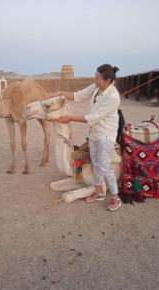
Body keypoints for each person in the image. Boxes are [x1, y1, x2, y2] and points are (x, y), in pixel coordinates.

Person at [50, 64, 121, 211]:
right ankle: (98, 191)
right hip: (94, 134)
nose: (95, 80)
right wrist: (61, 93)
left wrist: (69, 118)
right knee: (95, 164)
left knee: (104, 166)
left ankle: (115, 197)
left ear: (107, 80)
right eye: (95, 76)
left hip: (106, 135)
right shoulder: (96, 87)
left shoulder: (113, 97)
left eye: (98, 78)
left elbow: (93, 118)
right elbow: (79, 95)